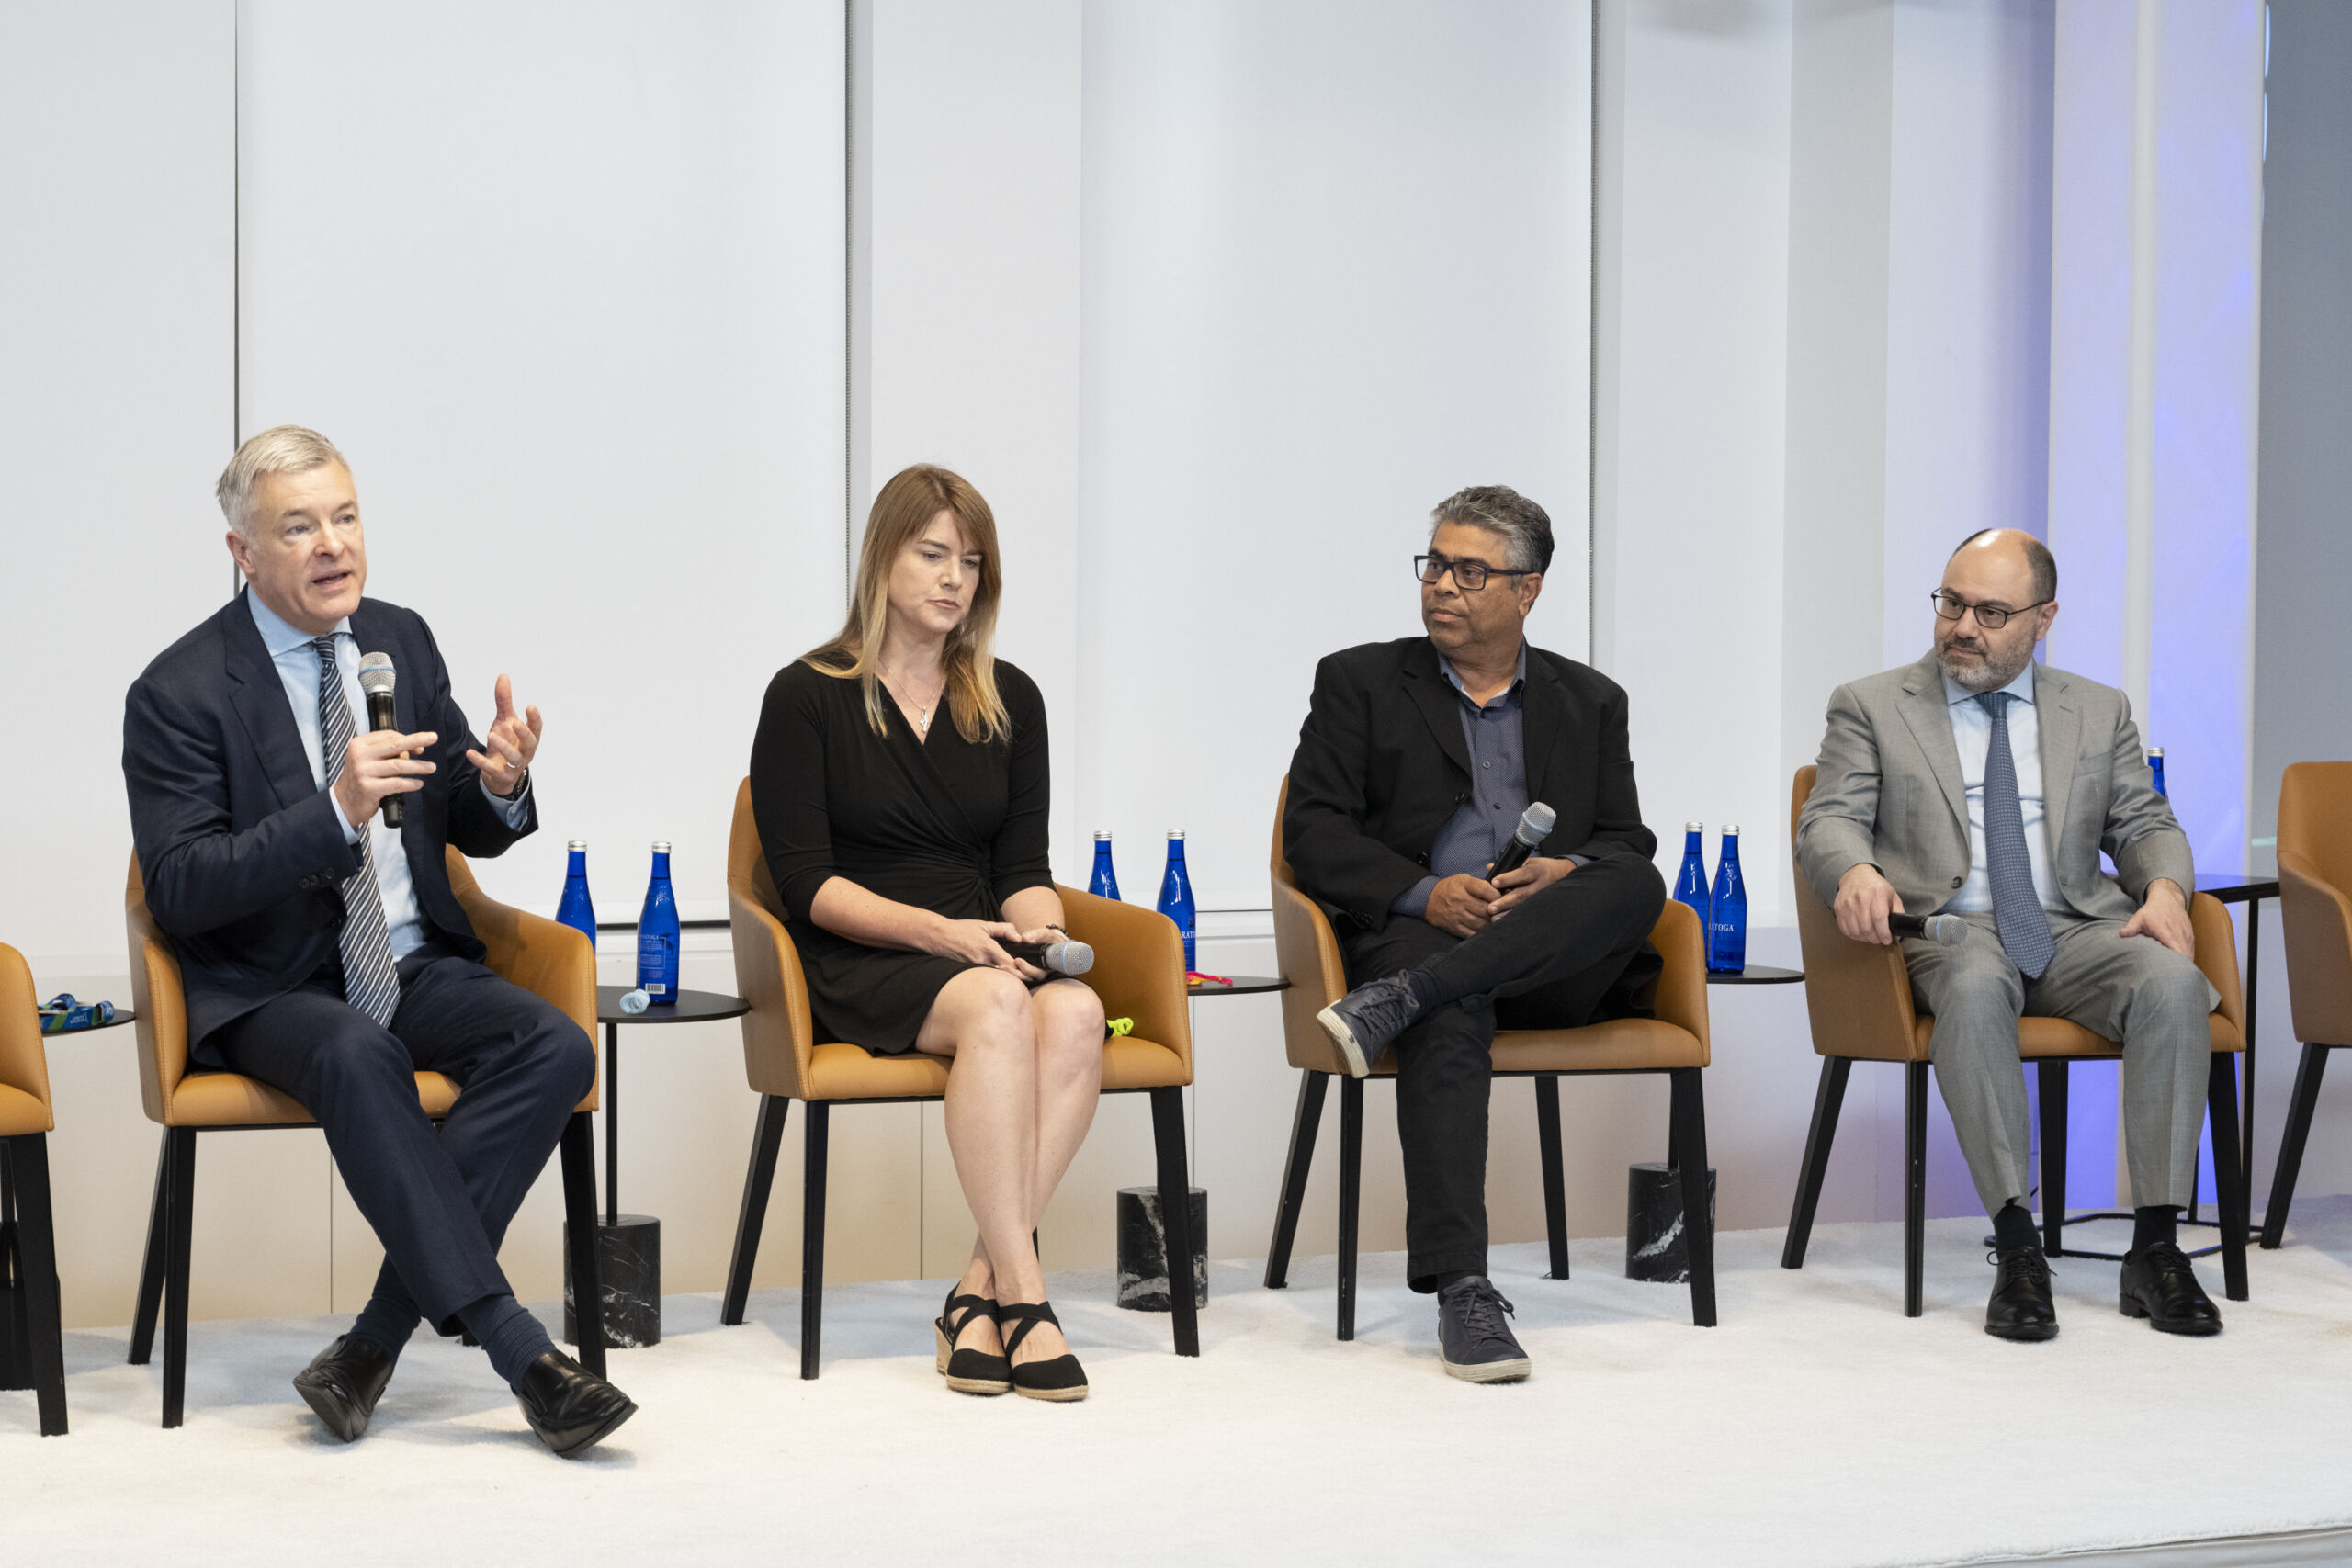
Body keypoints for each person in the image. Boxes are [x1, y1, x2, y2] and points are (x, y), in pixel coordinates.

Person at [122, 427, 635, 1456]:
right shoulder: (178, 691)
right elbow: (177, 888)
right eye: (299, 527)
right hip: (271, 983)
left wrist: (502, 783)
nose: (333, 545)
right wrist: (332, 810)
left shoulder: (398, 637)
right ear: (242, 552)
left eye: (345, 517)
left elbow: (459, 813)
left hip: (411, 957)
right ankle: (522, 1354)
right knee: (360, 1052)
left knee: (555, 1044)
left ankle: (370, 1343)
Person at [1797, 528, 2222, 1342]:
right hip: (1948, 926)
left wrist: (2166, 888)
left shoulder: (2096, 709)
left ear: (2043, 619)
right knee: (1973, 980)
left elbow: (2144, 822)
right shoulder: (1872, 703)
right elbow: (1829, 818)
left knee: (2171, 981)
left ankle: (2156, 1248)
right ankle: (2019, 1244)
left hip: (2072, 925)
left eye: (1991, 612)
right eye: (1952, 603)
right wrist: (1854, 871)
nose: (1963, 626)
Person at [1284, 485, 1666, 1383]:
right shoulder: (1359, 682)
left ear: (1527, 589)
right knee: (1451, 1005)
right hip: (1419, 934)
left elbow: (1625, 842)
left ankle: (1404, 1001)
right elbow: (1313, 833)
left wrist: (1561, 872)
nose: (1442, 586)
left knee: (1636, 881)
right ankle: (1464, 1288)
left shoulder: (1591, 700)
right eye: (1435, 565)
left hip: (1550, 961)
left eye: (1470, 571)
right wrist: (1424, 894)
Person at [749, 463, 1103, 1402]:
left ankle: (976, 1292)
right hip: (862, 952)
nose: (954, 578)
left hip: (981, 944)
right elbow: (806, 885)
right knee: (995, 1005)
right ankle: (1027, 1297)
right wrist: (946, 938)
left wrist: (1041, 936)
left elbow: (1023, 867)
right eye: (933, 554)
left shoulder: (1009, 697)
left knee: (1076, 1012)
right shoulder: (806, 694)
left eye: (971, 562)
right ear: (883, 559)